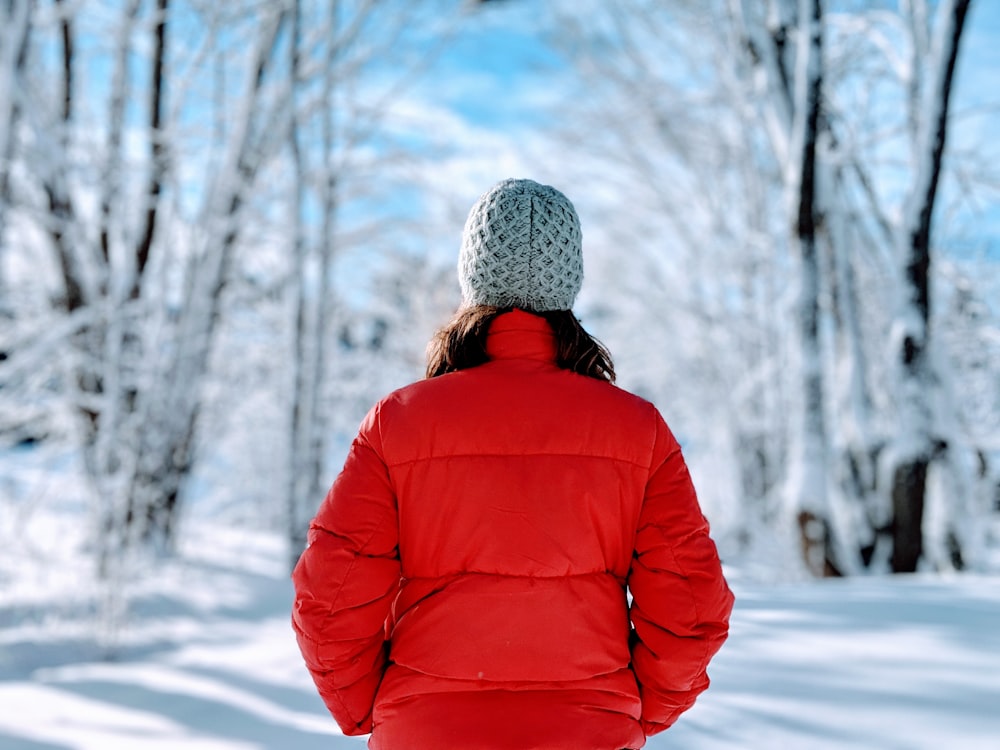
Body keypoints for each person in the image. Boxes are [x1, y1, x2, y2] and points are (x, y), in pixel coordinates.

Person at [292, 178, 734, 750]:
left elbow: (329, 596)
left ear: (473, 280)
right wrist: (635, 710)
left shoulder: (397, 424)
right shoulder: (638, 430)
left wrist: (368, 707)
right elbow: (692, 606)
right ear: (567, 282)